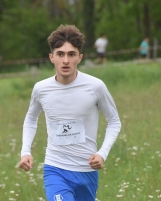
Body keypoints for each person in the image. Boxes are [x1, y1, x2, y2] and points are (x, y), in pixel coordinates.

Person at [19, 25, 121, 201]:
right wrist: (25, 151)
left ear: (79, 58)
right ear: (52, 57)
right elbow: (31, 118)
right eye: (60, 54)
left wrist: (102, 153)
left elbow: (114, 121)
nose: (65, 60)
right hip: (55, 168)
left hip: (86, 170)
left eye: (71, 54)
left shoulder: (95, 86)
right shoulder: (41, 89)